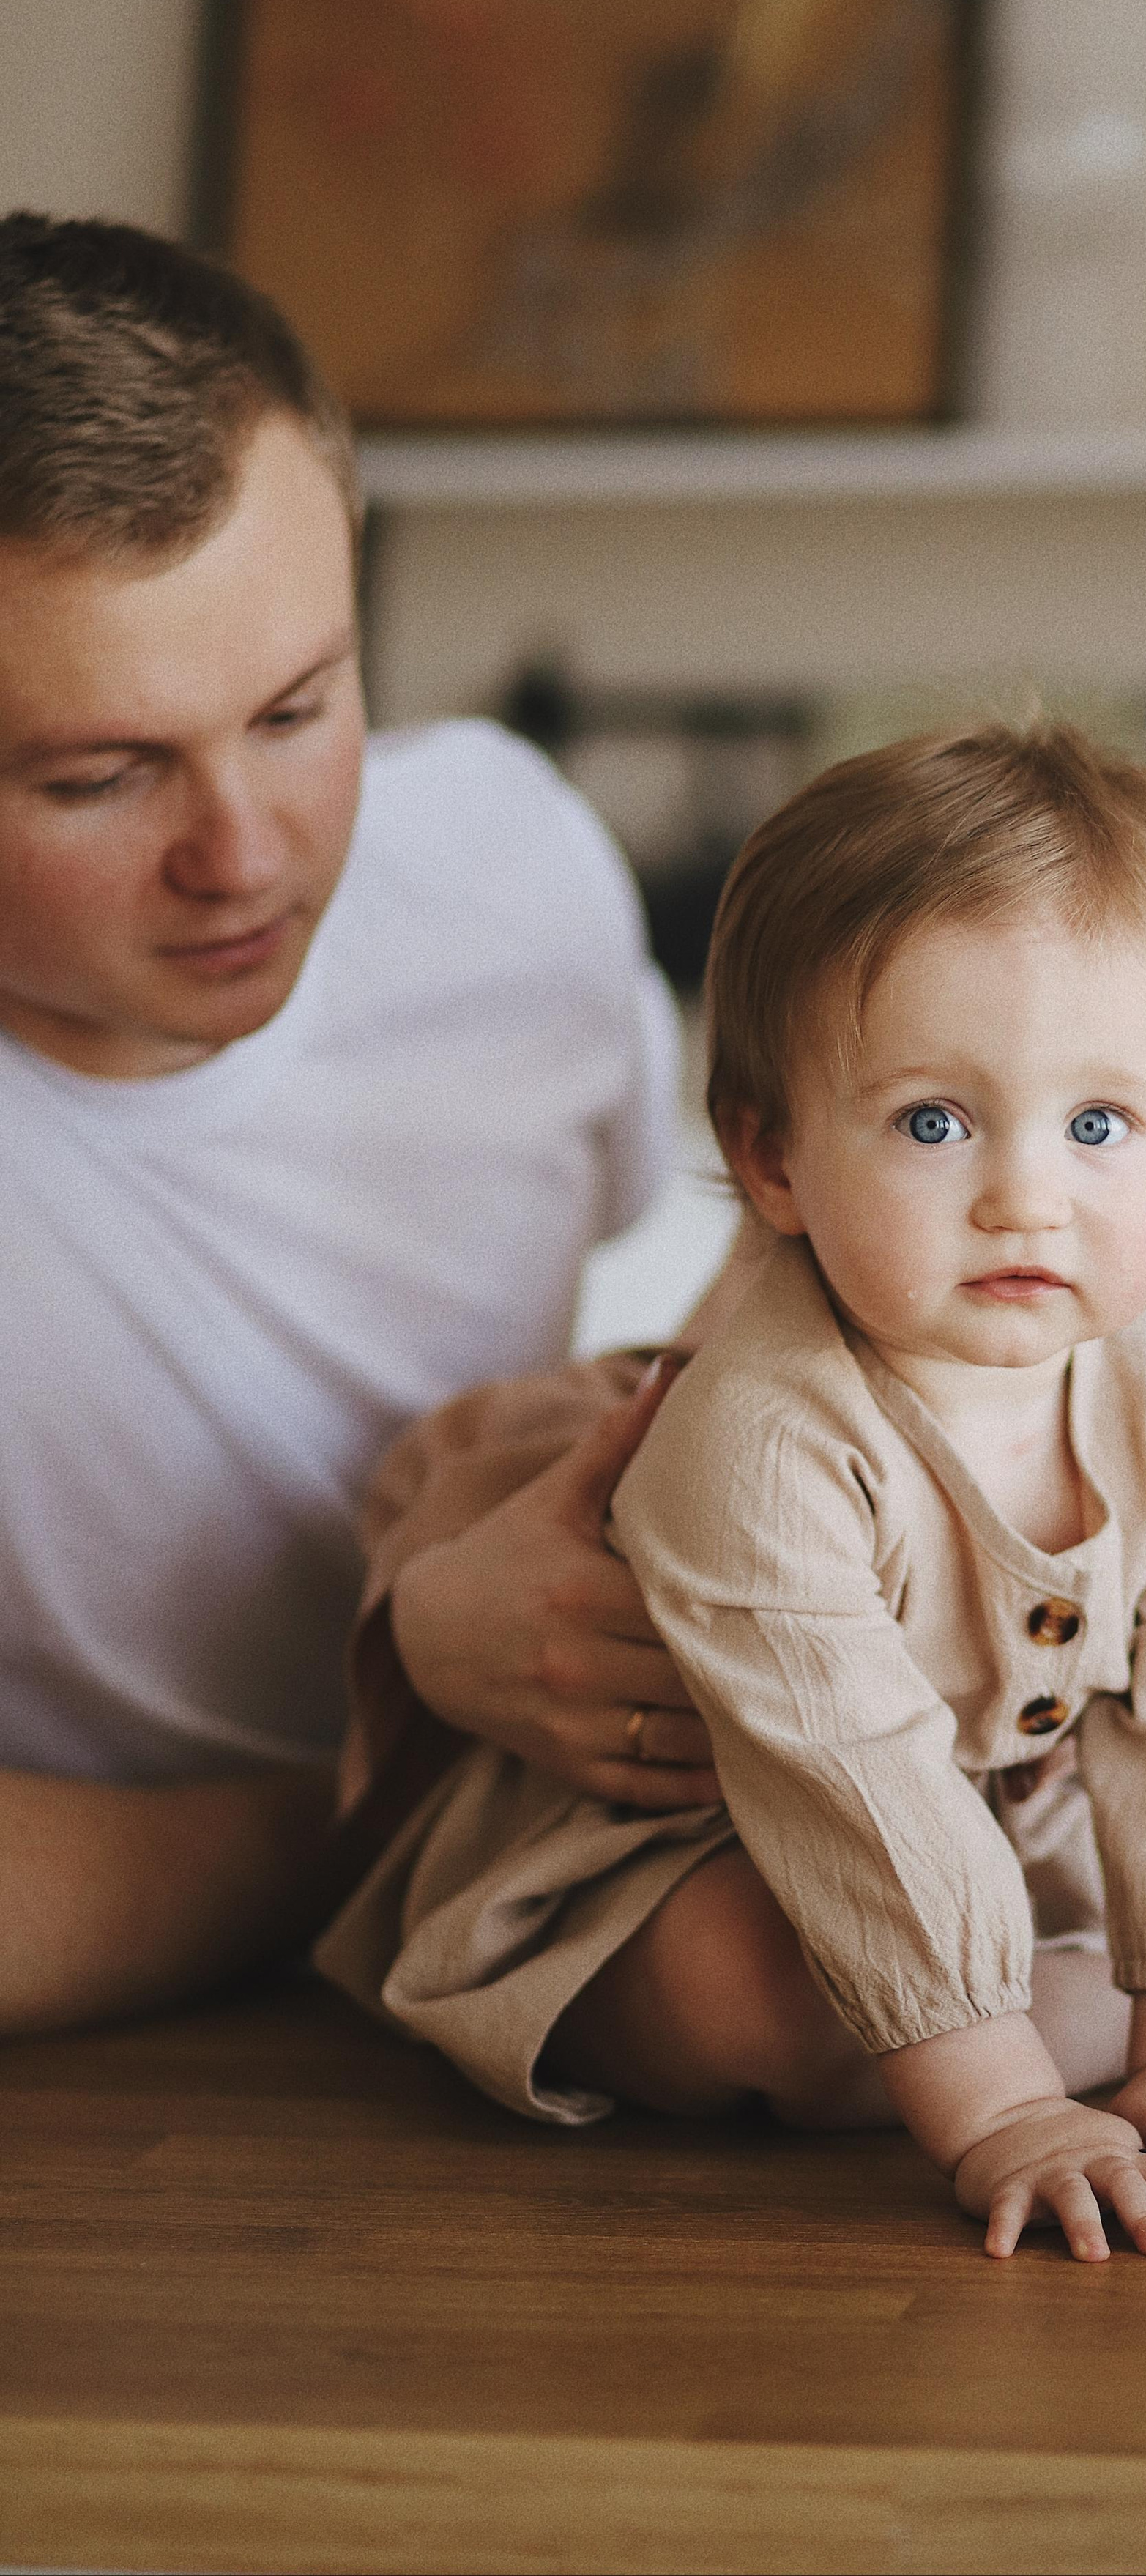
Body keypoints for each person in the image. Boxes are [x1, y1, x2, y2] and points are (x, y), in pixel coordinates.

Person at [318, 723, 1146, 2259]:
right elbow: (848, 1783)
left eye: (1098, 1124)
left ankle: (1143, 2002)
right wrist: (1007, 2106)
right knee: (741, 1984)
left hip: (988, 1818)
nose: (1024, 1193)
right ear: (775, 1158)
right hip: (686, 1836)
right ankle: (1069, 2016)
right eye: (933, 1121)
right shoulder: (765, 1431)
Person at [0, 213, 691, 2035]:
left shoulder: (511, 861)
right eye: (98, 774)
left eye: (299, 710)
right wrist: (414, 1716)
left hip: (598, 1864)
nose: (247, 852)